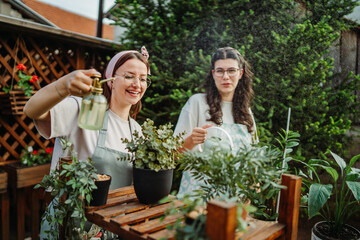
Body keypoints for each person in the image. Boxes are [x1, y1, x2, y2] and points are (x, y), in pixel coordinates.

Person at [24, 47, 151, 239]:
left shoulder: (138, 131)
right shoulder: (83, 109)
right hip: (68, 227)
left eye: (143, 79)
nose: (137, 84)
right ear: (110, 79)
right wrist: (63, 86)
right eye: (129, 76)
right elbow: (32, 110)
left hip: (113, 229)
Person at [174, 47, 258, 198]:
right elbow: (173, 155)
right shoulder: (197, 103)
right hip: (197, 199)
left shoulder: (246, 113)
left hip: (233, 202)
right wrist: (191, 141)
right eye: (220, 71)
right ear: (213, 74)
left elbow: (252, 162)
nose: (226, 76)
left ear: (240, 73)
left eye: (231, 70)